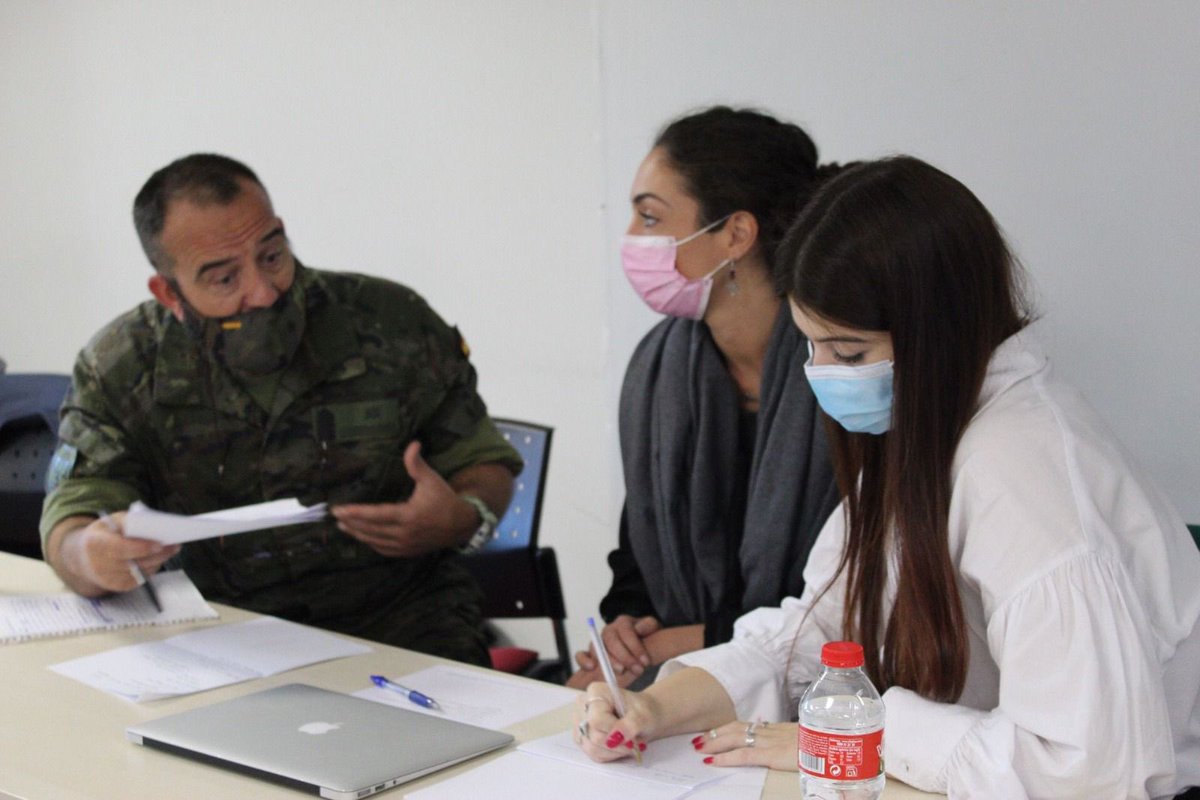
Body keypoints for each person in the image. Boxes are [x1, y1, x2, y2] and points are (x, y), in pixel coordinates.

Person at [573, 156, 1200, 798]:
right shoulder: (929, 423)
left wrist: (855, 736)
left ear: (937, 332)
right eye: (809, 345)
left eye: (848, 353)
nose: (822, 376)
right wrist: (657, 707)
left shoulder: (1027, 471)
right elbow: (819, 629)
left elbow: (1085, 768)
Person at [39, 154, 522, 666]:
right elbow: (75, 512)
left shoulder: (390, 323)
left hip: (400, 623)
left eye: (271, 256)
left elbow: (483, 463)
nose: (264, 292)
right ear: (169, 292)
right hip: (217, 635)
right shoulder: (122, 365)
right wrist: (89, 558)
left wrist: (462, 517)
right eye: (224, 279)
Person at [567, 107, 841, 689]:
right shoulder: (661, 372)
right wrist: (626, 627)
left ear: (735, 235)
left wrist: (688, 641)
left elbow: (846, 602)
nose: (631, 237)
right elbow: (639, 555)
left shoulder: (846, 375)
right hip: (681, 678)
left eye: (650, 217)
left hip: (826, 689)